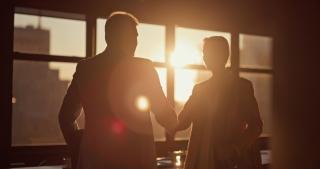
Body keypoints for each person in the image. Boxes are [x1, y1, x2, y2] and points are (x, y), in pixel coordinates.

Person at [58, 11, 177, 169]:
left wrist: (79, 145)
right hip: (136, 160)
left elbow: (65, 117)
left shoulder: (85, 69)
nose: (136, 42)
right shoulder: (144, 69)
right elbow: (166, 117)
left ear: (107, 37)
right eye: (134, 36)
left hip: (94, 161)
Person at [175, 36, 263, 169]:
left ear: (224, 55)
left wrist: (235, 149)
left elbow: (256, 125)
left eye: (208, 52)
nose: (204, 57)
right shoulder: (200, 89)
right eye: (204, 53)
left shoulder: (241, 87)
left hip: (230, 161)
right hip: (200, 159)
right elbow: (182, 122)